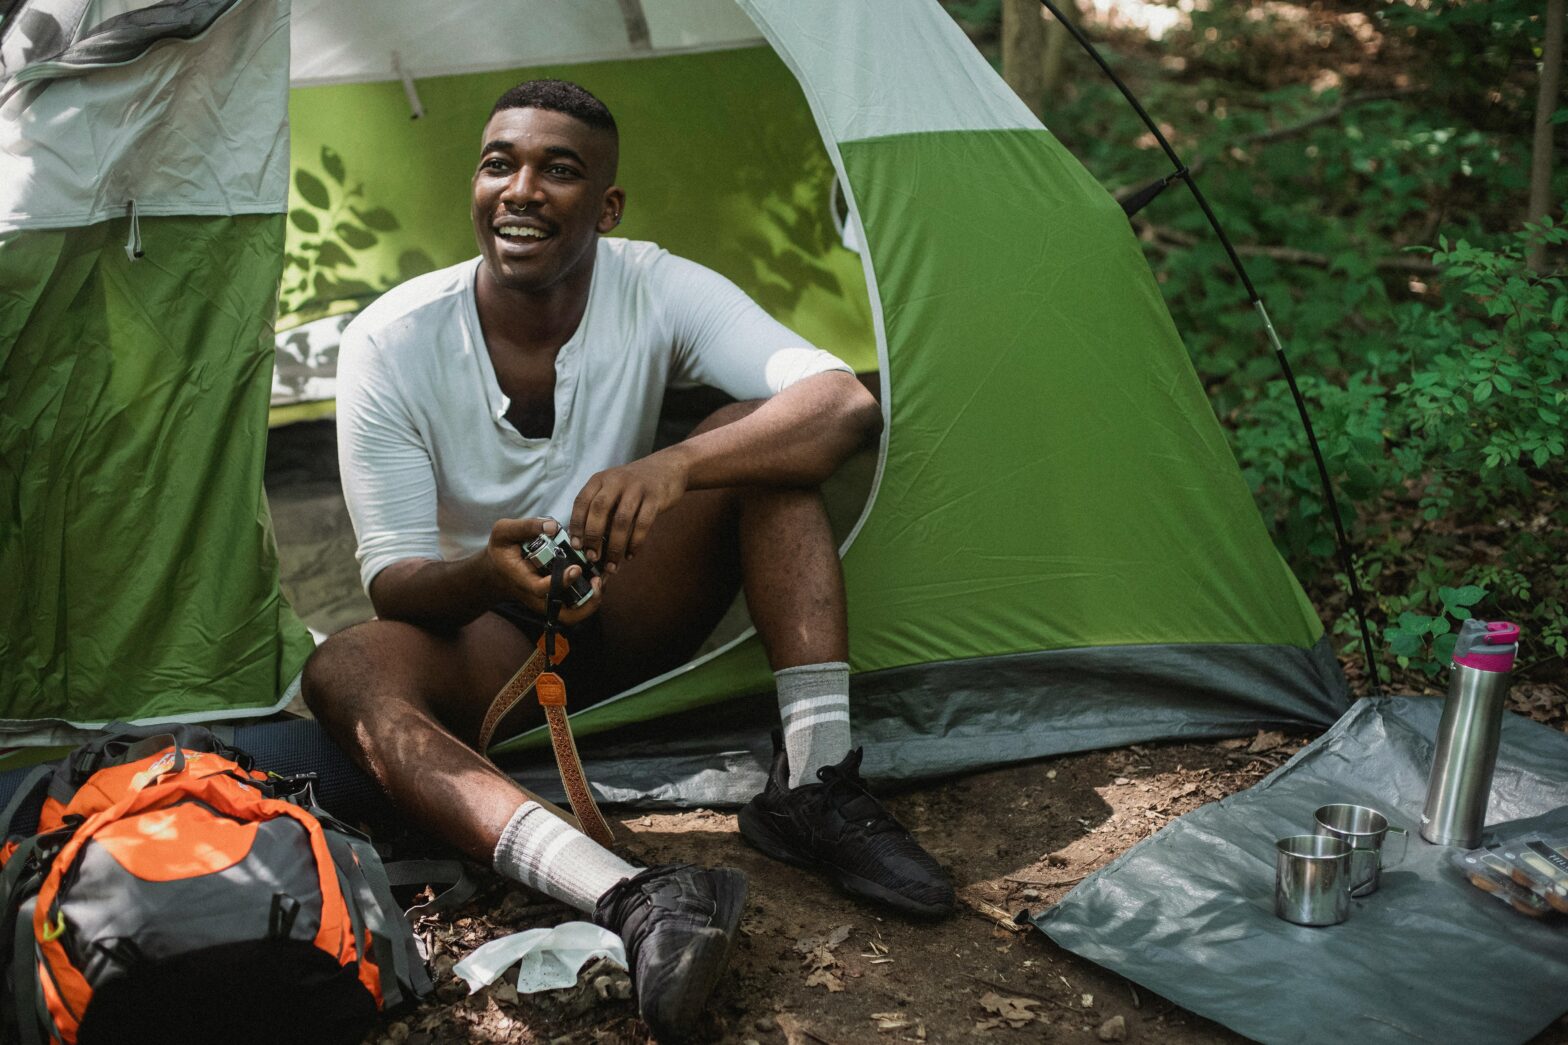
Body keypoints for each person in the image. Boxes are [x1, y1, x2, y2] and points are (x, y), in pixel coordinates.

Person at [302, 79, 952, 1039]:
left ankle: (813, 786)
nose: (521, 189)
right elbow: (394, 580)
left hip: (636, 605)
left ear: (606, 208)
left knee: (761, 443)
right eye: (499, 164)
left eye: (558, 170)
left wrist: (677, 464)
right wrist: (486, 573)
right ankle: (633, 896)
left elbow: (841, 404)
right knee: (343, 667)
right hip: (490, 643)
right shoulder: (391, 343)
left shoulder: (652, 282)